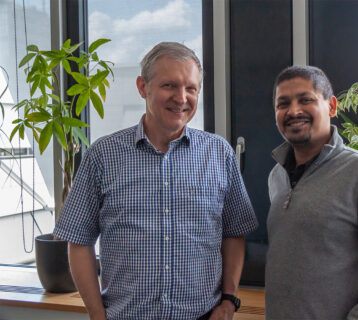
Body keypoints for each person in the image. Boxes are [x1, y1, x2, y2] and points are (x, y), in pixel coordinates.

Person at [53, 42, 258, 320]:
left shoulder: (219, 153)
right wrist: (97, 315)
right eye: (169, 86)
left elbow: (235, 232)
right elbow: (78, 240)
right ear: (142, 87)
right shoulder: (103, 155)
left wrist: (229, 300)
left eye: (191, 88)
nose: (181, 98)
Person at [265, 65, 358, 319]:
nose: (293, 111)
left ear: (331, 107)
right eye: (283, 104)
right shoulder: (276, 177)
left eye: (305, 100)